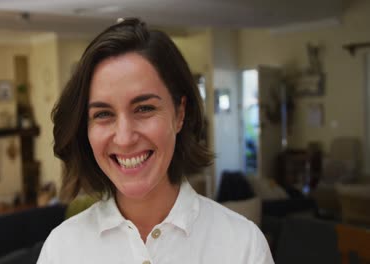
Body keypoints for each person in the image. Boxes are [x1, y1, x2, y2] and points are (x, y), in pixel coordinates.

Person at [37, 18, 274, 264]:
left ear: (180, 113)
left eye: (144, 108)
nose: (125, 138)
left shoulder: (243, 246)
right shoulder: (62, 249)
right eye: (103, 114)